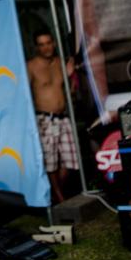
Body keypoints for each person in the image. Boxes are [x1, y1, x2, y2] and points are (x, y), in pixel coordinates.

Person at [27, 29, 79, 204]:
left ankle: (55, 193)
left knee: (71, 160)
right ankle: (60, 198)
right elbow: (24, 94)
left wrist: (71, 77)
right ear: (37, 47)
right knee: (50, 162)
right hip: (44, 119)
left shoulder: (60, 63)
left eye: (48, 43)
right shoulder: (31, 66)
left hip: (63, 117)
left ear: (54, 43)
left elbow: (70, 92)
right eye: (41, 44)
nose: (46, 47)